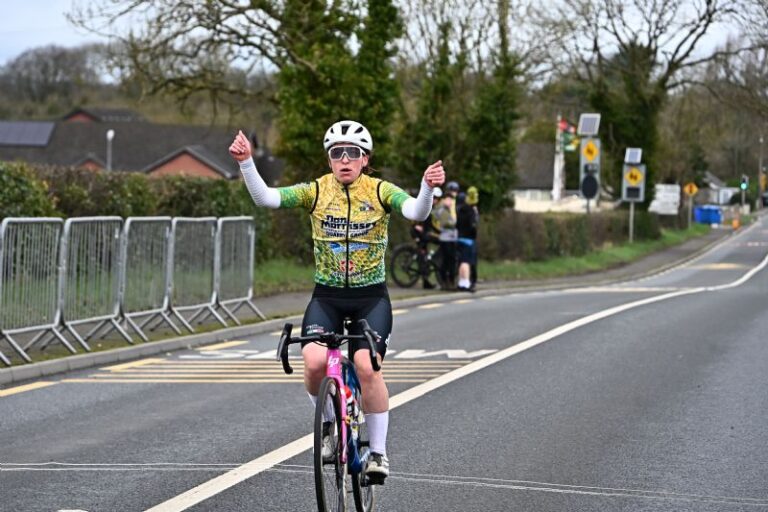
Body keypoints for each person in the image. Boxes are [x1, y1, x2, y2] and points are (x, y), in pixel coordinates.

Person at [229, 120, 445, 482]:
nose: (344, 159)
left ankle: (378, 452)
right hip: (326, 297)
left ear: (365, 159)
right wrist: (246, 163)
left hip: (370, 299)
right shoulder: (316, 191)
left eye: (352, 153)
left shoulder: (379, 191)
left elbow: (416, 212)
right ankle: (329, 427)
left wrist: (427, 188)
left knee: (365, 365)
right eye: (337, 153)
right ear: (329, 160)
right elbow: (268, 198)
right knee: (313, 361)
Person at [411, 186, 443, 289]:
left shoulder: (430, 207)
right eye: (435, 198)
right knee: (423, 256)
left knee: (424, 255)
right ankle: (426, 281)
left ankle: (431, 261)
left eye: (437, 199)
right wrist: (416, 225)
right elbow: (415, 218)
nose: (436, 201)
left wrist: (440, 231)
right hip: (419, 234)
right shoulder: (426, 206)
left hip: (423, 233)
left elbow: (431, 225)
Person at [434, 181, 459, 289]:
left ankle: (451, 281)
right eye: (448, 199)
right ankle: (445, 282)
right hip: (445, 239)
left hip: (452, 238)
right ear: (444, 200)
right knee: (446, 261)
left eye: (451, 200)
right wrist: (454, 223)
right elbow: (448, 223)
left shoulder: (449, 209)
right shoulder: (442, 210)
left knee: (452, 261)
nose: (450, 201)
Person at [456, 186, 479, 291]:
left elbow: (457, 224)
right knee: (466, 262)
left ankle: (461, 282)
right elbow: (473, 226)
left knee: (461, 262)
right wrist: (473, 234)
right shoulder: (471, 211)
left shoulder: (460, 210)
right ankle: (466, 283)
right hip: (468, 239)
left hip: (459, 238)